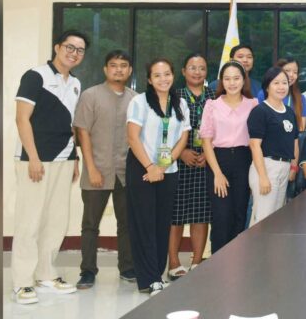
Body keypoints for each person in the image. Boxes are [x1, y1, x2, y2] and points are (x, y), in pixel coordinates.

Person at [11, 30, 88, 305]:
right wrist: (33, 157)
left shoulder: (76, 83)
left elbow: (70, 125)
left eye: (80, 50)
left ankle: (45, 273)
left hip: (64, 159)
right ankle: (22, 281)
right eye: (70, 47)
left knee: (56, 220)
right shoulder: (35, 76)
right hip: (35, 159)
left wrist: (75, 158)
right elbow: (22, 119)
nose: (74, 53)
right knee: (29, 220)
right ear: (57, 47)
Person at [125, 59, 191, 296]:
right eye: (157, 75)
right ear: (149, 79)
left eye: (167, 74)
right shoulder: (139, 102)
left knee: (162, 223)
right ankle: (149, 278)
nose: (163, 79)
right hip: (141, 168)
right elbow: (133, 138)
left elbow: (183, 138)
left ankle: (157, 274)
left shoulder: (180, 103)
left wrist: (163, 166)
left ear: (173, 76)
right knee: (143, 223)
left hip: (168, 169)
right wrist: (151, 167)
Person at [74, 50, 137, 289]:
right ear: (105, 69)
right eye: (113, 65)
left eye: (123, 65)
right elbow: (83, 132)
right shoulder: (90, 96)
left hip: (126, 172)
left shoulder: (136, 99)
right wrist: (91, 168)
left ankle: (127, 268)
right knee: (90, 224)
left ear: (130, 70)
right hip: (97, 170)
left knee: (127, 224)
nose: (118, 69)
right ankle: (88, 271)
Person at [201, 61, 257, 252]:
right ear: (221, 81)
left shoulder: (253, 105)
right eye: (227, 79)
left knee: (239, 214)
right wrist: (217, 173)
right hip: (218, 161)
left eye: (236, 78)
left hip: (244, 160)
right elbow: (206, 141)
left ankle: (237, 261)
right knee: (221, 216)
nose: (232, 83)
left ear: (244, 80)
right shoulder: (212, 105)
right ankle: (218, 262)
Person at [166, 54, 211, 281]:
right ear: (183, 71)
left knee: (201, 213)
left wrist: (208, 155)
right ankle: (173, 262)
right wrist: (181, 152)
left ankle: (197, 261)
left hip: (205, 161)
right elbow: (165, 129)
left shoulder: (213, 96)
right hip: (178, 161)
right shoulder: (173, 96)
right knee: (176, 215)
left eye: (201, 68)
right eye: (192, 67)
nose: (197, 72)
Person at [247, 66, 298, 223]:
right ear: (267, 86)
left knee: (276, 220)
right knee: (263, 220)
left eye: (284, 83)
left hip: (284, 167)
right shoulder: (260, 111)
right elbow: (255, 145)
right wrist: (263, 177)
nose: (281, 87)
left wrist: (293, 167)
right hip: (266, 167)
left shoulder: (289, 112)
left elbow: (294, 141)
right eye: (276, 83)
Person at [275, 57, 306, 131]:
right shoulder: (264, 94)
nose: (291, 75)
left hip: (293, 137)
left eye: (295, 72)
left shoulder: (300, 98)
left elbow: (301, 128)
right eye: (287, 71)